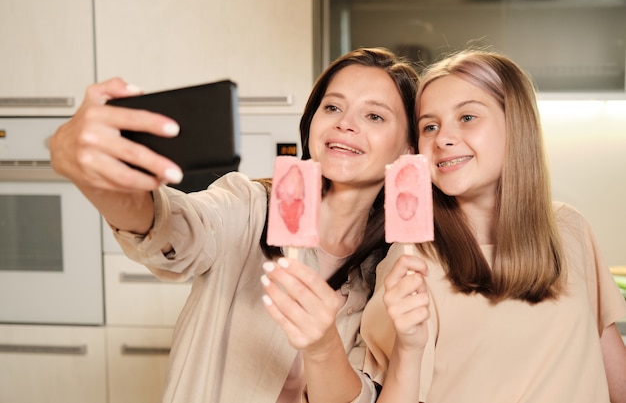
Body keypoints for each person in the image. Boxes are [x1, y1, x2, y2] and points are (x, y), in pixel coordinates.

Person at [49, 47, 419, 403]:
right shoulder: (250, 206)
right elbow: (175, 231)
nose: (345, 123)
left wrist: (322, 346)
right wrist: (98, 181)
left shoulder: (392, 273)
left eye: (374, 116)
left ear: (407, 150)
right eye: (333, 107)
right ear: (311, 125)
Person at [353, 49, 626, 403]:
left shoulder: (570, 230)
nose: (442, 138)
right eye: (429, 126)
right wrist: (408, 345)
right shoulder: (411, 262)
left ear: (516, 124)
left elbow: (610, 364)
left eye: (467, 117)